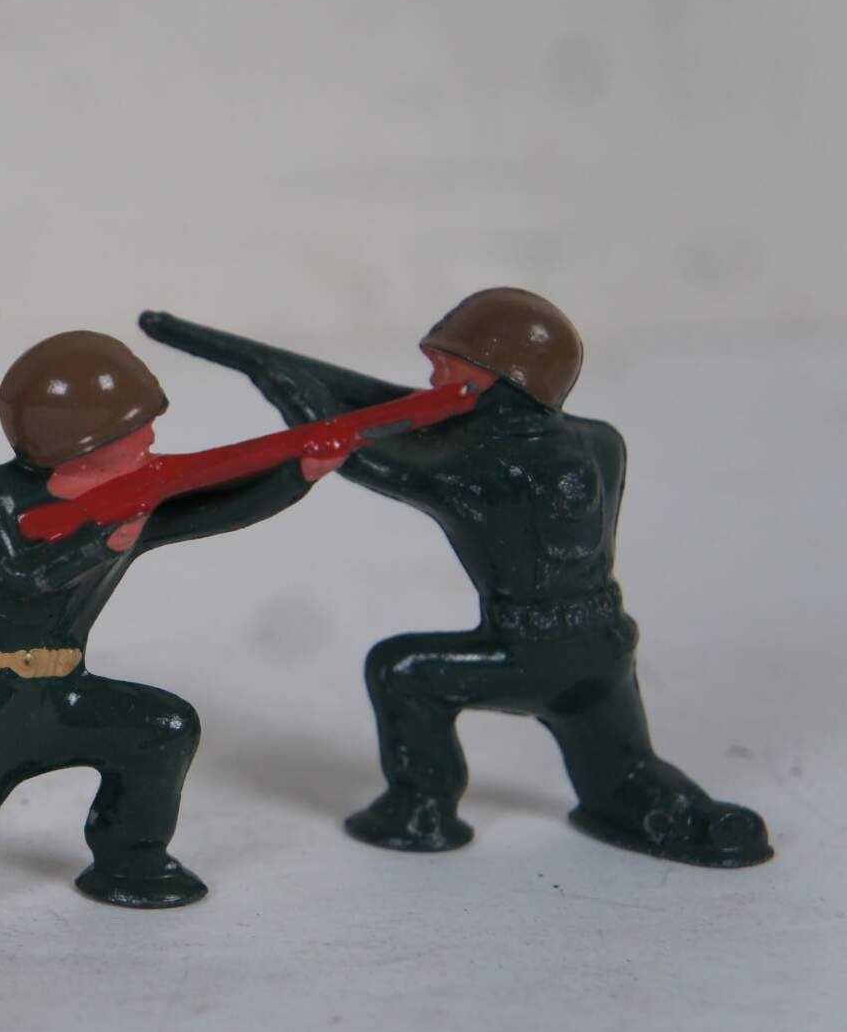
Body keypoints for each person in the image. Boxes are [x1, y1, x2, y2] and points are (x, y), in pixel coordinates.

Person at [140, 289, 772, 867]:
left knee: (402, 671)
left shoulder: (486, 469)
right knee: (624, 773)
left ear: (500, 377)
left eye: (448, 367)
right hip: (604, 645)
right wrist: (305, 377)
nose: (433, 379)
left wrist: (298, 400)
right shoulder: (601, 440)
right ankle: (688, 816)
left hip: (525, 652)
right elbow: (434, 425)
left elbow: (377, 461)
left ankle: (422, 808)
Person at [0, 331, 335, 925]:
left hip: (61, 693)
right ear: (85, 443)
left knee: (164, 729)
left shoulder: (132, 497)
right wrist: (100, 541)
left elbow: (215, 509)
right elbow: (21, 575)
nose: (151, 437)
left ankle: (132, 861)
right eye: (136, 428)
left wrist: (299, 475)